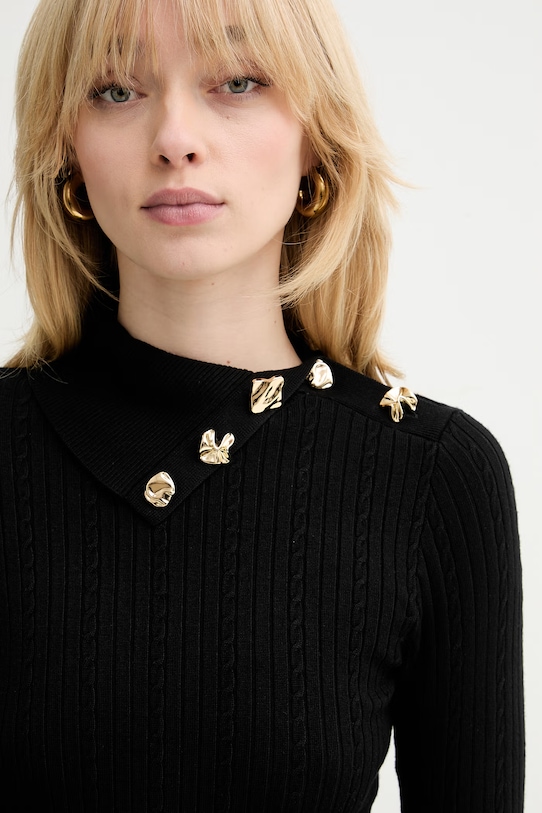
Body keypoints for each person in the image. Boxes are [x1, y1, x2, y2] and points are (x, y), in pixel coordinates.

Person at [0, 0, 524, 810]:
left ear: (317, 137)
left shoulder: (433, 477)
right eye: (115, 90)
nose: (176, 138)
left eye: (238, 82)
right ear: (65, 148)